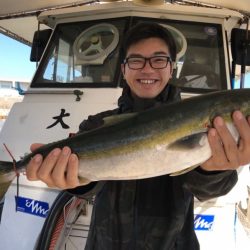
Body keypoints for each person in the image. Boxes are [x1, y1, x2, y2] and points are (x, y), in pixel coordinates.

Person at [26, 22, 250, 250]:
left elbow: (209, 191)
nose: (148, 69)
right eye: (136, 60)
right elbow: (90, 185)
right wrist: (72, 182)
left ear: (171, 68)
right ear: (124, 69)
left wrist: (214, 170)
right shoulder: (97, 124)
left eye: (159, 59)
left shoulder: (203, 122)